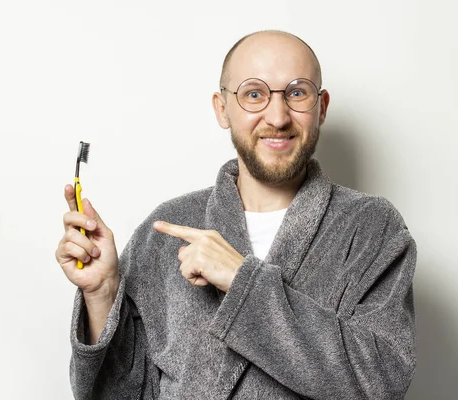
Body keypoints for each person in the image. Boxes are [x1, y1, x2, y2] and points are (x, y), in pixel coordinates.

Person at [56, 30, 417, 399]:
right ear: (222, 108)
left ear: (321, 107)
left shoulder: (372, 228)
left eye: (296, 92)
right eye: (254, 94)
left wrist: (243, 282)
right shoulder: (166, 228)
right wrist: (101, 294)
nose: (277, 117)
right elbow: (121, 393)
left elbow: (382, 382)